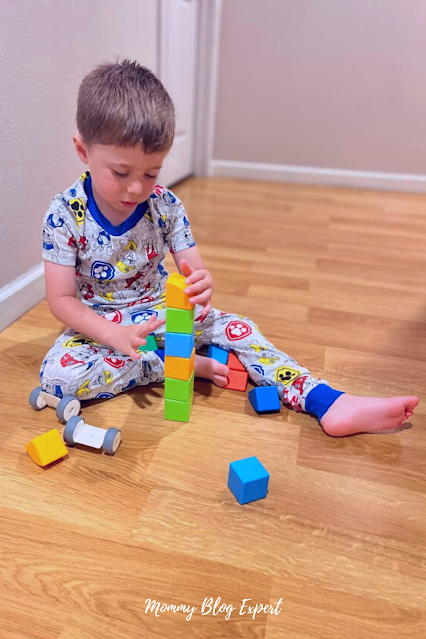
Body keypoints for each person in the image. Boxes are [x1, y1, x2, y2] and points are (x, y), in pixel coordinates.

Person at [40, 60, 418, 437]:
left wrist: (201, 283)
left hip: (162, 314)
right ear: (82, 150)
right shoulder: (64, 215)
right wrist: (112, 335)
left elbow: (195, 272)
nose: (138, 188)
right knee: (57, 378)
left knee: (241, 330)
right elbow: (61, 300)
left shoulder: (165, 205)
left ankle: (326, 400)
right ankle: (178, 363)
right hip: (101, 324)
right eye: (121, 173)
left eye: (151, 173)